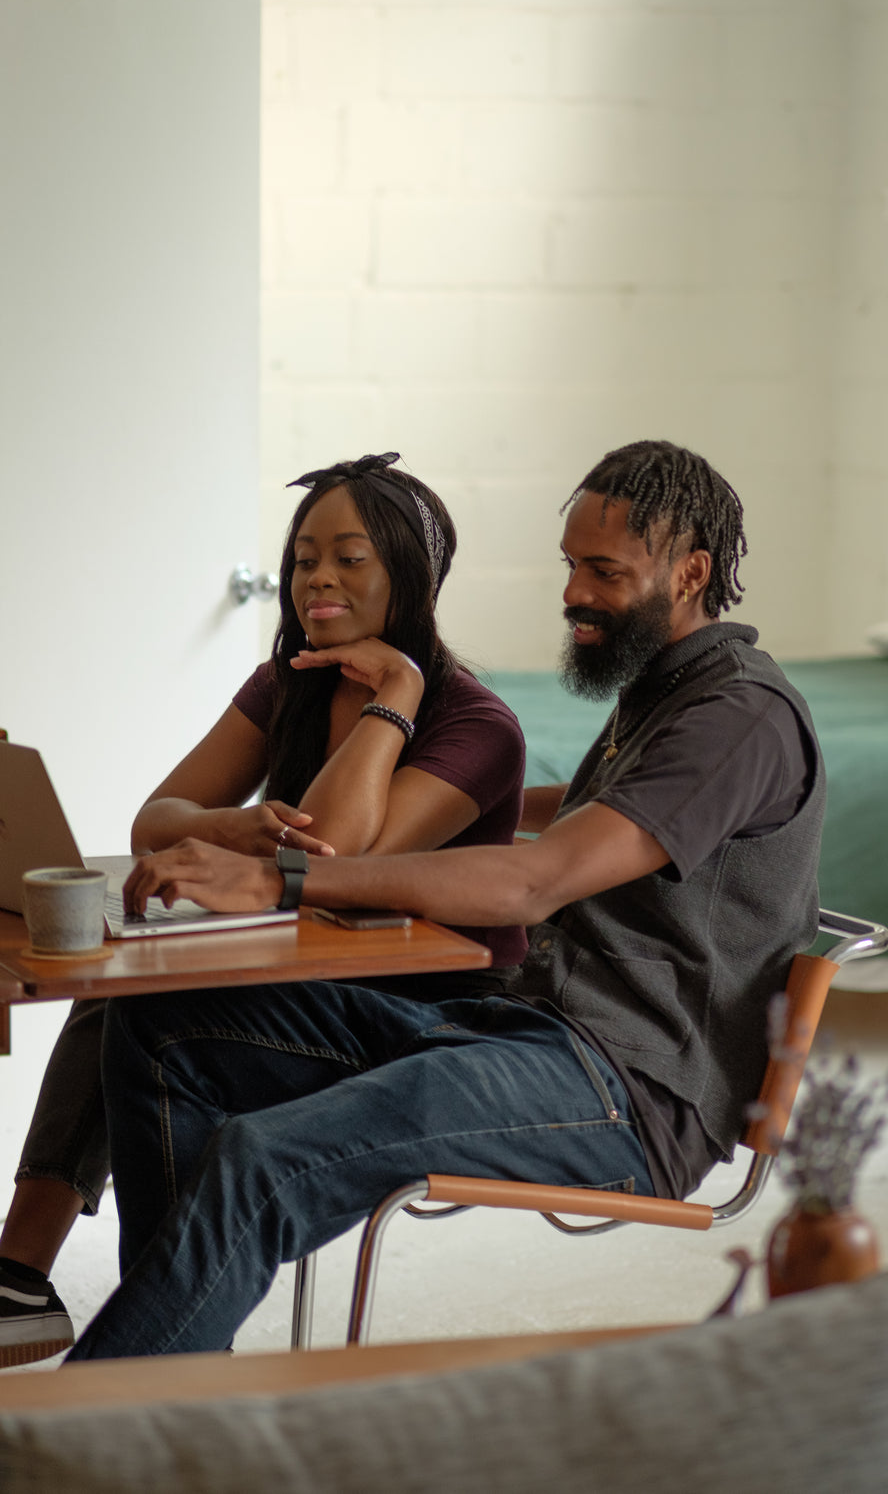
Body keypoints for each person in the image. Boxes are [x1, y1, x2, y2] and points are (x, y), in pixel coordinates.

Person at [66, 436, 826, 1361]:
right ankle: (160, 1378)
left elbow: (534, 881)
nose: (572, 593)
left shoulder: (736, 715)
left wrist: (283, 874)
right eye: (569, 566)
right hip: (516, 1025)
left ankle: (90, 1421)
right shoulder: (662, 698)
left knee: (265, 1158)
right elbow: (567, 825)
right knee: (163, 1027)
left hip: (627, 1085)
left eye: (603, 571)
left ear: (692, 571)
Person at [0, 453, 526, 1367]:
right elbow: (155, 817)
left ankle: (88, 1306)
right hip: (315, 977)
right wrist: (235, 825)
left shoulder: (474, 725)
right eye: (304, 558)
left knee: (143, 1000)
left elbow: (340, 847)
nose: (317, 578)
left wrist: (394, 696)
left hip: (427, 1021)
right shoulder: (288, 682)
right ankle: (42, 1289)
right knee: (131, 964)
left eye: (349, 558)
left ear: (411, 572)